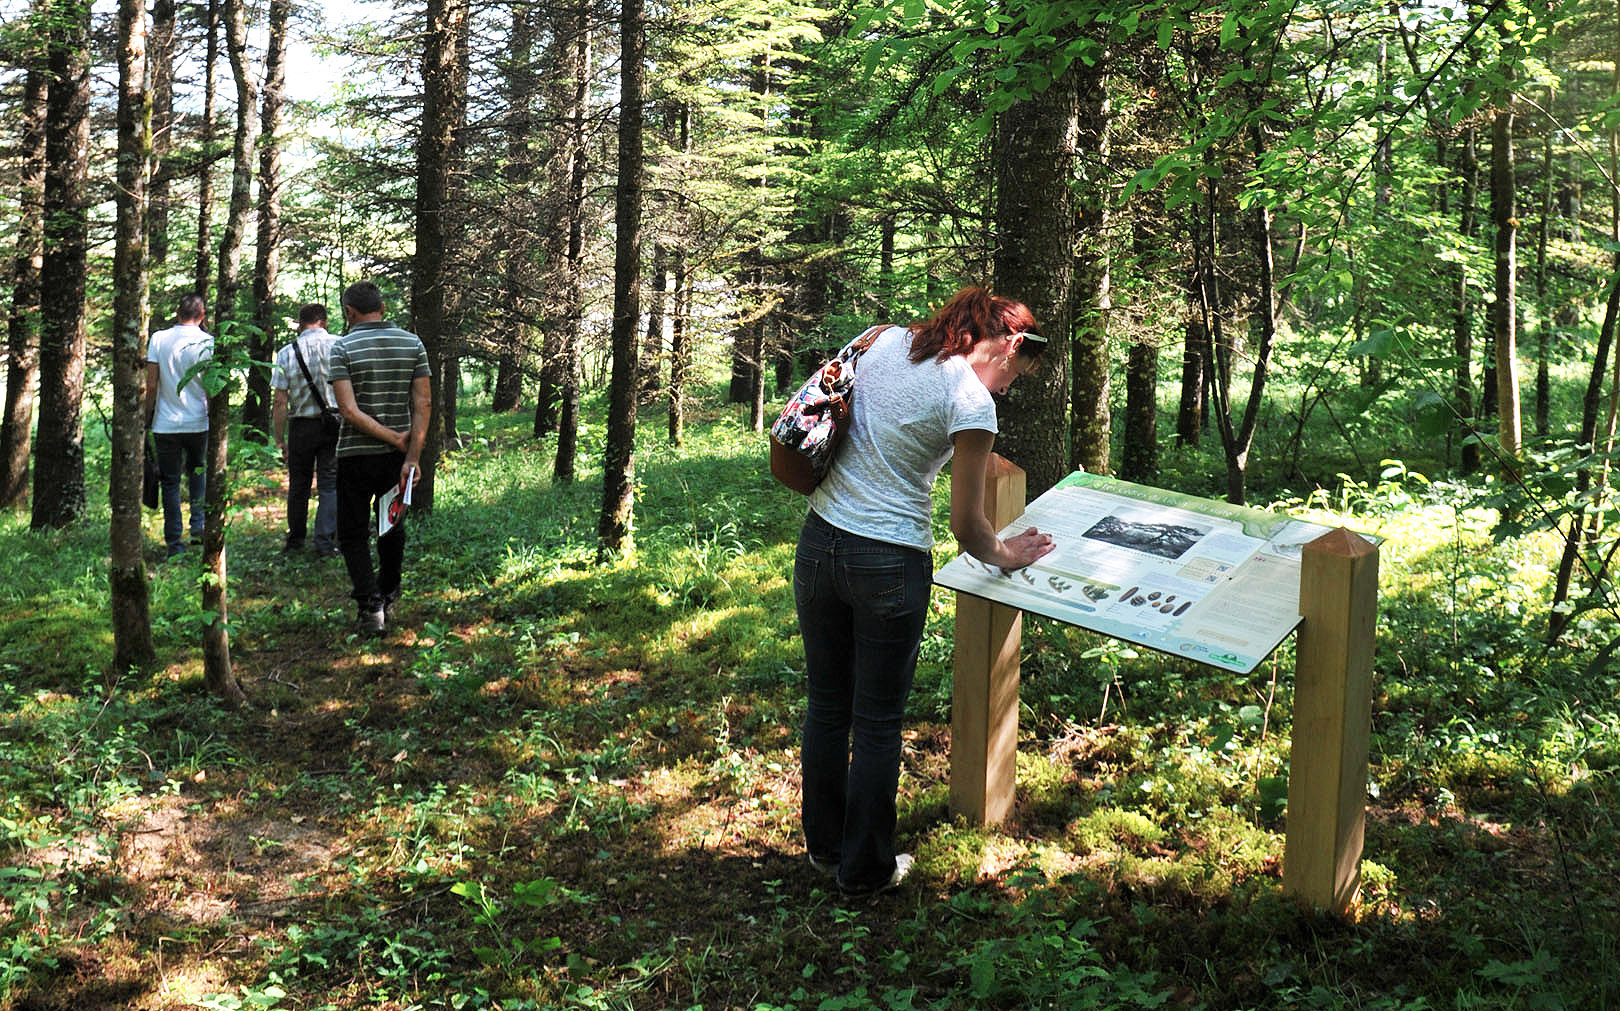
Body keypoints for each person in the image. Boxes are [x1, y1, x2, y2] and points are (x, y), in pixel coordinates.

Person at [795, 286, 1056, 897]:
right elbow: (968, 527)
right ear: (1012, 344)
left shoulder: (886, 341)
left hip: (819, 544)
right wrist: (1007, 554)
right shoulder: (970, 401)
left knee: (828, 706)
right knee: (877, 721)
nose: (1005, 390)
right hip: (888, 562)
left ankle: (826, 849)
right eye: (1014, 376)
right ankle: (866, 872)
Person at [329, 281, 432, 636]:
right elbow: (423, 404)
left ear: (349, 312)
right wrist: (411, 455)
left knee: (352, 532)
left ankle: (370, 606)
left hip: (355, 456)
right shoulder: (412, 343)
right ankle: (388, 593)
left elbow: (348, 410)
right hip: (396, 459)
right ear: (382, 307)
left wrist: (391, 438)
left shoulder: (342, 348)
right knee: (391, 526)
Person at [144, 293, 214, 558]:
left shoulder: (159, 339)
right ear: (202, 314)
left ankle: (174, 542)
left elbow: (151, 384)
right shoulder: (209, 342)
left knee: (170, 482)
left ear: (177, 312)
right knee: (198, 474)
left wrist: (147, 415)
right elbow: (211, 387)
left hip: (166, 424)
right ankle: (198, 528)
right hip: (198, 422)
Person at [272, 303, 342, 557]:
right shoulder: (340, 345)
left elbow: (280, 401)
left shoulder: (286, 352)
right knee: (329, 483)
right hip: (334, 423)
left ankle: (296, 540)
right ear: (324, 322)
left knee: (299, 484)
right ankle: (325, 542)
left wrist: (279, 439)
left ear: (301, 325)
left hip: (301, 425)